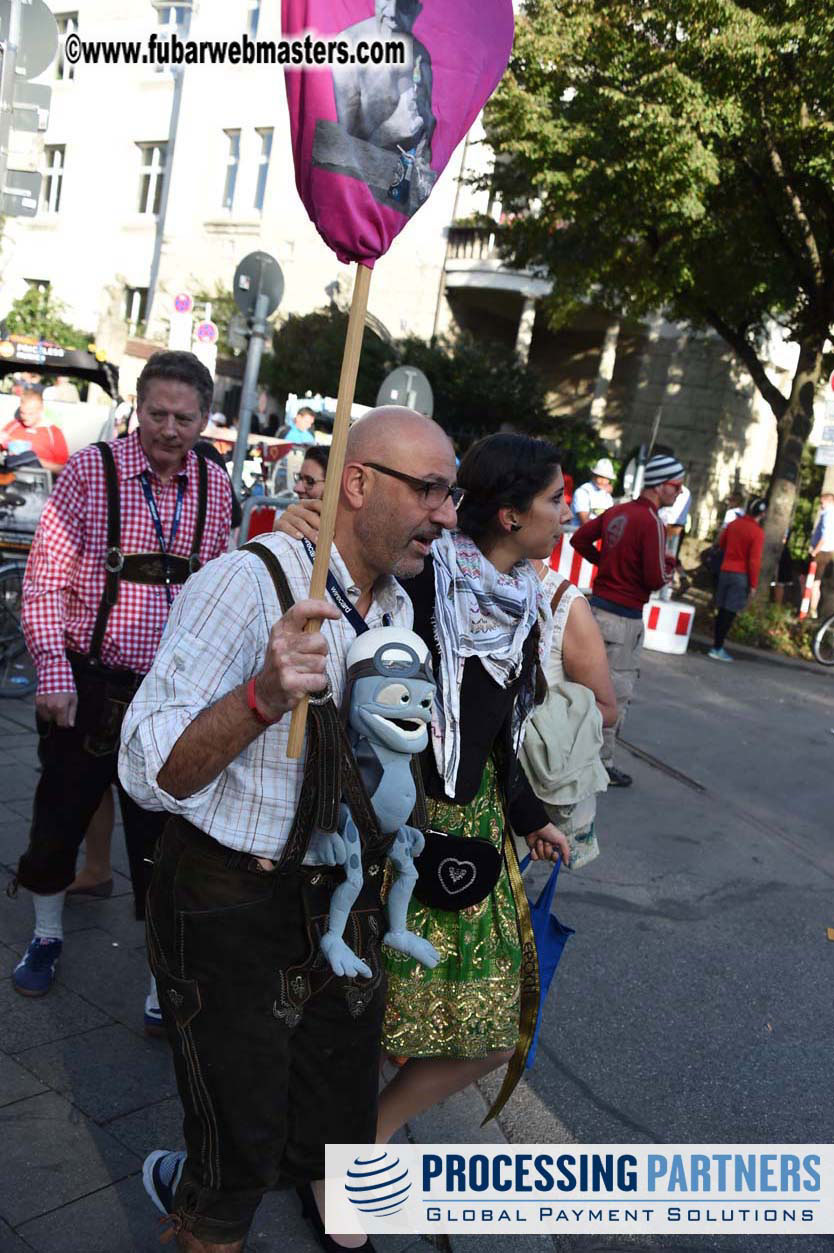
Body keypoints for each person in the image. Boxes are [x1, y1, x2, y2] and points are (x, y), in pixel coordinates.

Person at [119, 408, 462, 1253]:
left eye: (450, 494)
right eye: (429, 490)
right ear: (358, 483)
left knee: (336, 1128)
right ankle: (199, 1196)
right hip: (231, 900)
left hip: (340, 910)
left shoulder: (397, 611)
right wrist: (261, 697)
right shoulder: (249, 582)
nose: (447, 513)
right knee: (236, 1165)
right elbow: (144, 764)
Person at [276, 435, 572, 1150]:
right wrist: (300, 523)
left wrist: (532, 816)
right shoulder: (420, 577)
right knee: (370, 1010)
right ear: (508, 514)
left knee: (492, 1030)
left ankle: (363, 1131)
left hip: (473, 831)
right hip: (396, 815)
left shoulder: (526, 599)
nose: (569, 515)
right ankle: (316, 1140)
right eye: (556, 501)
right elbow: (347, 572)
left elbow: (499, 732)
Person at [10, 351, 233, 1034]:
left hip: (170, 696)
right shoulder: (90, 470)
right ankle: (46, 934)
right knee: (58, 816)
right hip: (87, 678)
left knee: (165, 845)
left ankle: (159, 977)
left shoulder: (216, 488)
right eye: (157, 413)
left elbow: (221, 594)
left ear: (203, 419)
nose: (168, 428)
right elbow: (46, 578)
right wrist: (51, 670)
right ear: (138, 408)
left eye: (184, 417)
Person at [571, 452, 685, 788]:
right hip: (625, 618)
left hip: (596, 610)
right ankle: (601, 764)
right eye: (676, 486)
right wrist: (667, 567)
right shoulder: (652, 522)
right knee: (615, 694)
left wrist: (605, 562)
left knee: (583, 686)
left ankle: (572, 750)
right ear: (660, 486)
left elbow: (579, 539)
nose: (679, 493)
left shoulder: (617, 511)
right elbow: (652, 578)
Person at [709, 496, 767, 662]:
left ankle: (716, 644)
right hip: (740, 575)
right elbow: (754, 560)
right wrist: (754, 584)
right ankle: (718, 647)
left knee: (721, 610)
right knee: (730, 611)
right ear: (761, 514)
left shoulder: (734, 524)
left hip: (725, 570)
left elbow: (721, 543)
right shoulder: (757, 532)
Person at [0, 387, 69, 472]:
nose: (25, 417)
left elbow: (64, 469)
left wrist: (34, 460)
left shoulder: (54, 433)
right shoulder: (13, 425)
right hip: (10, 478)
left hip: (39, 481)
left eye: (31, 413)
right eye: (22, 412)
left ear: (41, 410)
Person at [809, 491, 834, 619]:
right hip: (827, 551)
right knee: (818, 582)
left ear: (829, 501)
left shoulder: (828, 515)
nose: (821, 505)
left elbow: (824, 536)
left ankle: (812, 610)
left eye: (822, 502)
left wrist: (815, 551)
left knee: (815, 582)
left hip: (822, 552)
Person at [571, 457, 615, 524]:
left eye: (607, 478)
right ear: (594, 475)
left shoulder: (606, 495)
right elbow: (584, 522)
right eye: (601, 477)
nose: (604, 481)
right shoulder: (582, 492)